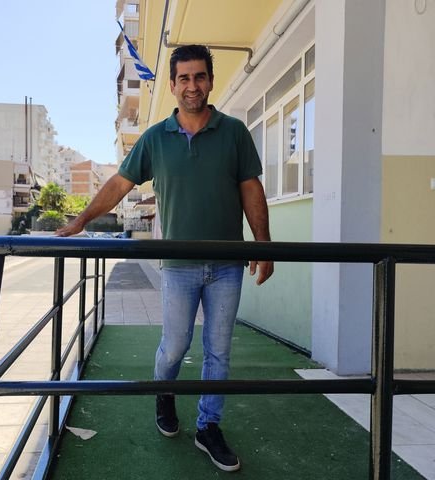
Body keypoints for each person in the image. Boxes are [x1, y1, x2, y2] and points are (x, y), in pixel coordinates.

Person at [56, 44, 273, 472]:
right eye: (184, 78)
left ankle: (209, 427)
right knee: (174, 346)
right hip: (178, 265)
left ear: (210, 81)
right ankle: (164, 390)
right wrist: (82, 219)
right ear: (173, 85)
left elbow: (251, 189)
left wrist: (262, 245)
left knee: (218, 351)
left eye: (200, 77)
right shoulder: (156, 138)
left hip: (227, 265)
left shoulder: (233, 133)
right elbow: (120, 184)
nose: (193, 85)